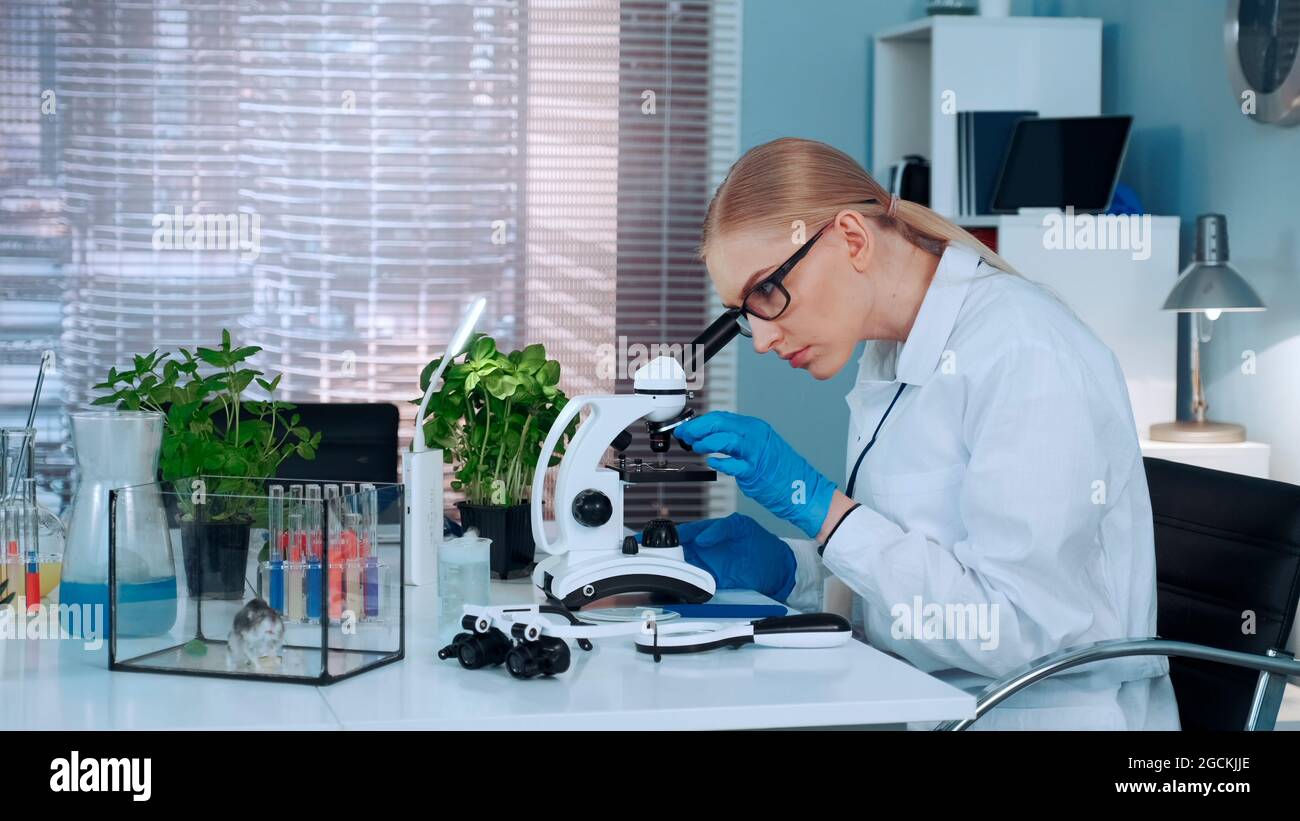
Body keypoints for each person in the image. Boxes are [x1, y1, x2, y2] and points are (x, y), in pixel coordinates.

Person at [672, 137, 1180, 731]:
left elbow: (1020, 629)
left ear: (852, 238)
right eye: (743, 314)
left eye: (766, 292)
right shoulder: (890, 354)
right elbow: (925, 569)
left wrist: (821, 508)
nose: (760, 339)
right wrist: (793, 571)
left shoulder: (1023, 350)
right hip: (945, 708)